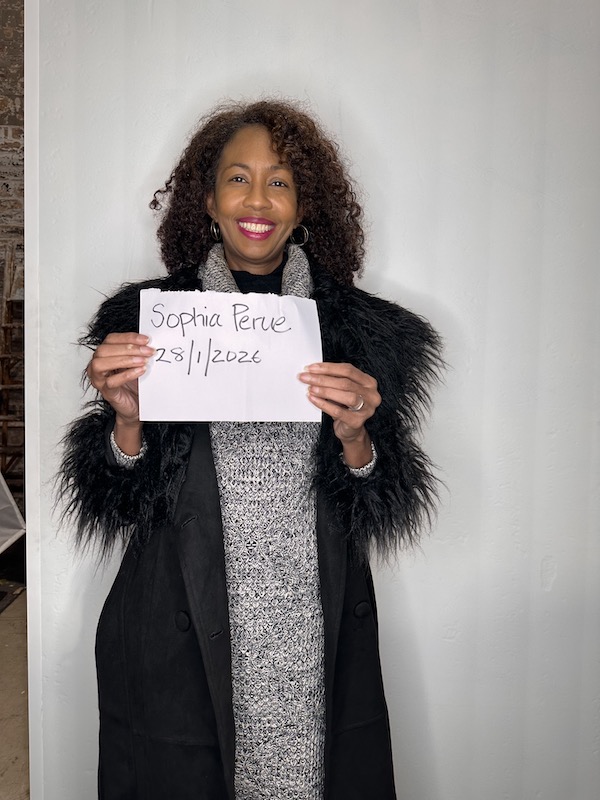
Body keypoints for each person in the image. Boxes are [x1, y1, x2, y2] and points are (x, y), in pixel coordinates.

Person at [58, 99, 443, 800]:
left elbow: (382, 502)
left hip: (309, 627)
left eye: (280, 182)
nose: (258, 200)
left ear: (303, 207)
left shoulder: (362, 334)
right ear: (208, 200)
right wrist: (127, 421)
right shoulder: (151, 326)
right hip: (183, 623)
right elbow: (114, 500)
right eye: (238, 179)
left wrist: (357, 437)